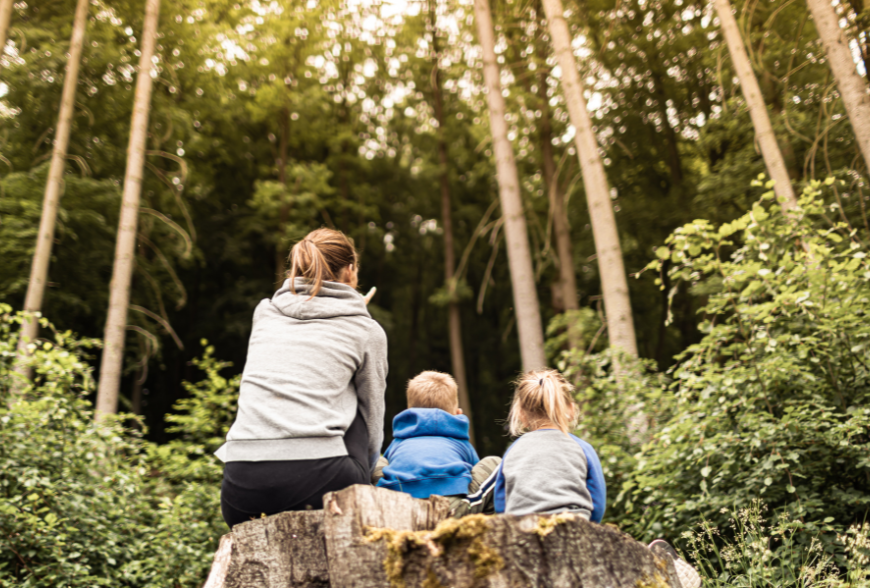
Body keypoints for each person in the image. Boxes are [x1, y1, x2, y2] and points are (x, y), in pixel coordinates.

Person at [216, 228, 388, 528]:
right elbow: (372, 417)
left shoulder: (265, 312)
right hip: (319, 484)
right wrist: (371, 470)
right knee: (357, 404)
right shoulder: (366, 330)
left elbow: (309, 328)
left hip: (239, 491)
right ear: (350, 271)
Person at [375, 371, 500, 515]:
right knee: (495, 463)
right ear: (458, 413)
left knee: (377, 459)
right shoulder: (460, 441)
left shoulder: (399, 441)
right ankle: (484, 523)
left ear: (409, 413)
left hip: (398, 506)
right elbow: (471, 477)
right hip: (449, 509)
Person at [493, 369, 606, 519]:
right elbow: (597, 504)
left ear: (521, 414)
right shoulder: (583, 449)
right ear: (571, 410)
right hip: (574, 530)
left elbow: (501, 501)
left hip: (522, 532)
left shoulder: (513, 450)